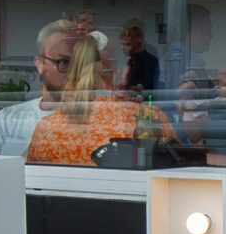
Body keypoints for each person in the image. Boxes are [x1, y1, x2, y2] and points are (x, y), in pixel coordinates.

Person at [27, 33, 161, 167]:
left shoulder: (45, 128)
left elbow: (33, 175)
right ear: (108, 70)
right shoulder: (148, 118)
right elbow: (167, 166)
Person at [0, 18, 83, 156]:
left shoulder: (96, 118)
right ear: (39, 64)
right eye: (64, 62)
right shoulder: (8, 118)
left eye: (80, 63)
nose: (74, 71)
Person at [118, 19, 160, 93]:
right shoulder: (132, 61)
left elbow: (148, 88)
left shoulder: (149, 60)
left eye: (127, 44)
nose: (122, 48)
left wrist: (126, 86)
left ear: (137, 42)